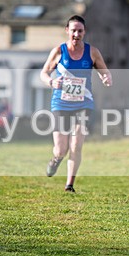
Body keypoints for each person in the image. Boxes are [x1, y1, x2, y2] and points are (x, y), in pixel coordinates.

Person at [40, 15, 112, 192]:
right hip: (61, 104)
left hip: (83, 104)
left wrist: (106, 77)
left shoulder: (92, 52)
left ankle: (69, 184)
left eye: (80, 31)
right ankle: (56, 159)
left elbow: (105, 71)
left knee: (76, 145)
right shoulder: (59, 51)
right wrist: (51, 82)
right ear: (67, 31)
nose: (76, 34)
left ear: (84, 32)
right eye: (73, 30)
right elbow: (44, 73)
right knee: (61, 149)